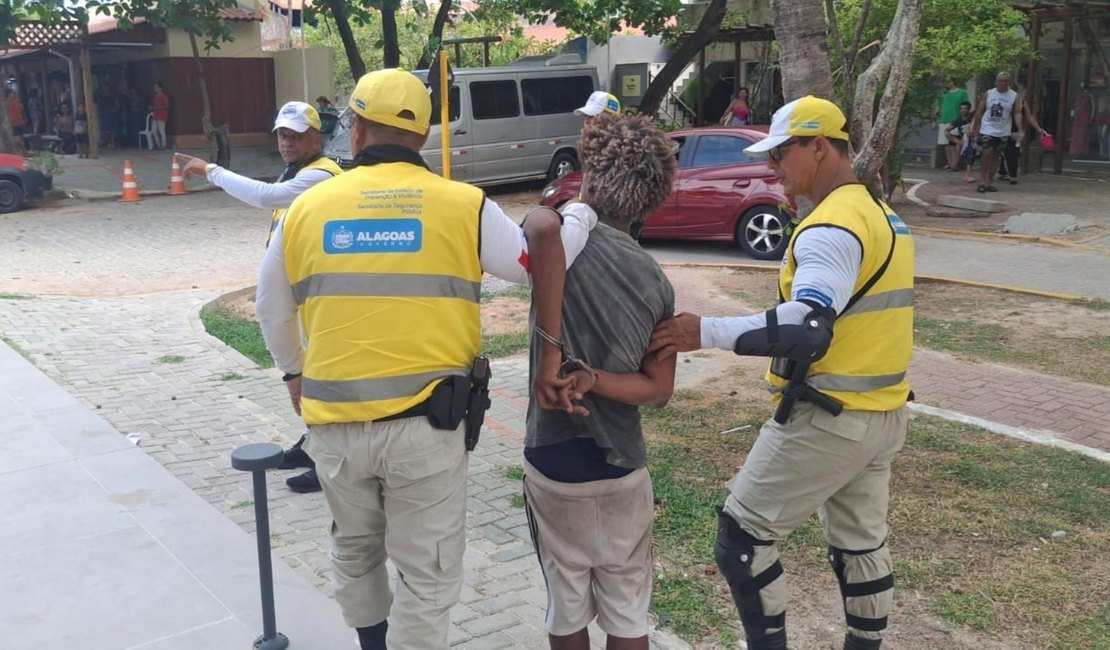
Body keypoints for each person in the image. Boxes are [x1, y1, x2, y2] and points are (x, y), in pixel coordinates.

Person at [254, 67, 597, 650]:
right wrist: (584, 212)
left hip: (335, 428)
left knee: (356, 550)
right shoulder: (463, 206)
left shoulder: (305, 210)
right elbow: (538, 263)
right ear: (423, 135)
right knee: (427, 569)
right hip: (427, 429)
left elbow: (270, 306)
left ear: (357, 129)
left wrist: (293, 372)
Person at [648, 96, 914, 650]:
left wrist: (707, 331)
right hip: (882, 414)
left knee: (742, 537)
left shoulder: (830, 228)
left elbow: (806, 325)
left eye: (780, 153)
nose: (771, 167)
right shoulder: (882, 215)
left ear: (818, 147)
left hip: (829, 417)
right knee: (860, 545)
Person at [525, 112, 678, 650]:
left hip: (552, 460)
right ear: (651, 200)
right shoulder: (656, 283)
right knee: (628, 614)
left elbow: (538, 226)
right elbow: (657, 391)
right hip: (622, 469)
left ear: (589, 177)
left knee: (565, 612)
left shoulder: (556, 251)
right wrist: (594, 380)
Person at [178, 101, 345, 494]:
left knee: (321, 375)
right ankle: (314, 445)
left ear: (316, 138)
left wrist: (210, 170)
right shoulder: (302, 170)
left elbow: (268, 196)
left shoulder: (322, 175)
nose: (286, 142)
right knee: (308, 368)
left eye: (296, 135)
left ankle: (330, 460)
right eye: (282, 135)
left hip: (317, 291)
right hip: (302, 288)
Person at [970, 72, 1021, 193]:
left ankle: (989, 182)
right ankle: (982, 181)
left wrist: (1020, 129)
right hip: (988, 128)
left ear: (1010, 82)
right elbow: (979, 111)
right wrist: (974, 127)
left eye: (1005, 81)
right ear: (996, 82)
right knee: (987, 152)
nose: (1003, 83)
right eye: (1000, 80)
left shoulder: (1014, 96)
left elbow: (1018, 113)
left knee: (996, 156)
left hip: (1003, 130)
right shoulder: (989, 93)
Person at [933, 80, 969, 170]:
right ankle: (949, 163)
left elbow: (966, 106)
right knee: (946, 144)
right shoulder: (943, 93)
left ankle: (955, 164)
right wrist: (933, 120)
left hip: (955, 120)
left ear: (952, 82)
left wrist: (965, 119)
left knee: (954, 143)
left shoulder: (962, 93)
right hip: (943, 120)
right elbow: (937, 107)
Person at [149, 82, 170, 150]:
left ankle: (164, 145)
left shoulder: (164, 96)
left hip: (162, 115)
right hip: (155, 115)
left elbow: (167, 106)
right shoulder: (155, 97)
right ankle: (158, 144)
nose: (154, 88)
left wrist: (157, 108)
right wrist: (152, 107)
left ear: (160, 88)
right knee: (154, 131)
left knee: (161, 131)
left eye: (156, 87)